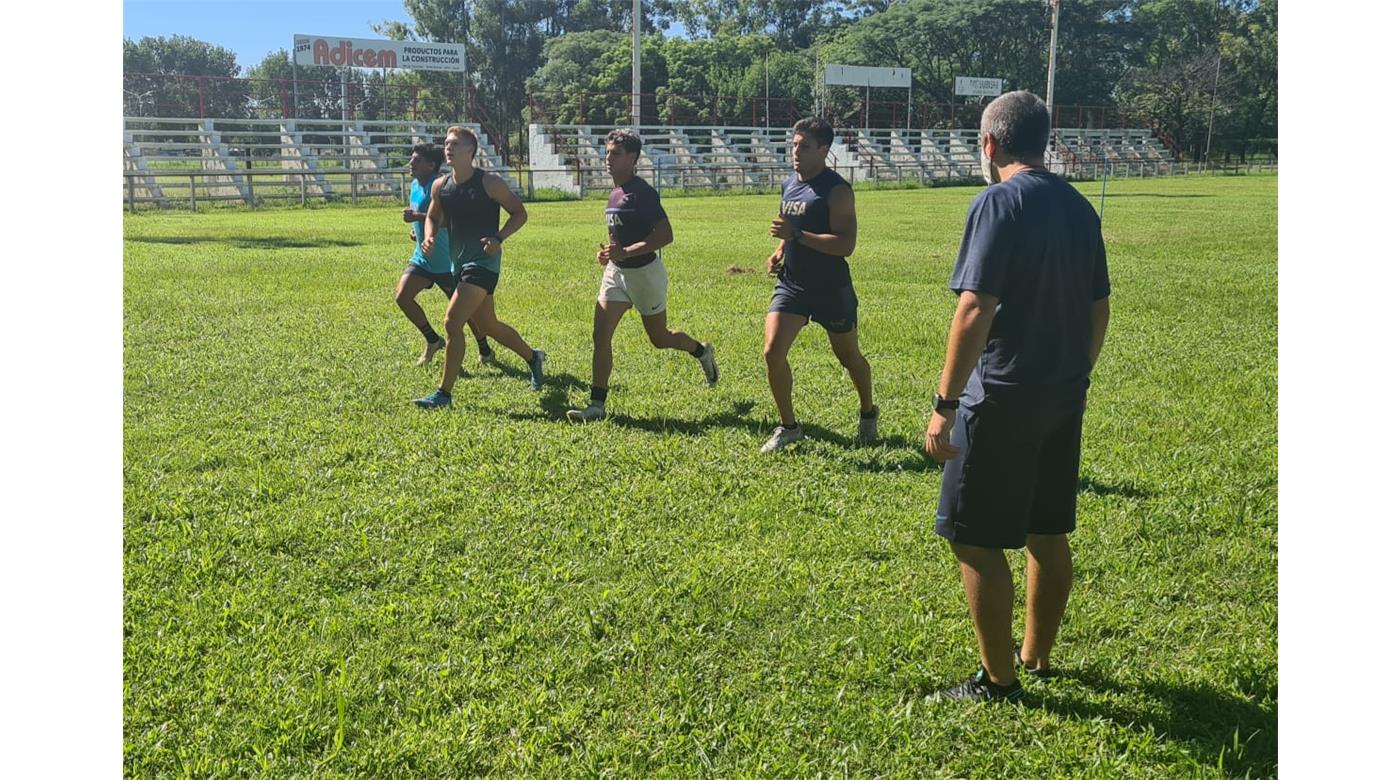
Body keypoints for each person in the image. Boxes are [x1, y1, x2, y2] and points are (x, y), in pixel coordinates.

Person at [924, 91, 1111, 702]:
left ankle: (999, 680)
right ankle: (1036, 656)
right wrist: (1074, 371)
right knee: (1047, 529)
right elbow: (1098, 308)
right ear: (1045, 141)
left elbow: (976, 305)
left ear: (990, 143)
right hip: (1063, 391)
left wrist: (945, 402)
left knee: (973, 535)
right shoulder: (1080, 208)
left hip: (1001, 393)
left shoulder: (997, 202)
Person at [566, 128, 718, 422]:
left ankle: (701, 351)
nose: (608, 158)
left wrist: (627, 252)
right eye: (608, 152)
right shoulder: (614, 192)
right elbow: (617, 241)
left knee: (659, 338)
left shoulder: (642, 193)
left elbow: (665, 235)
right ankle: (597, 405)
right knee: (600, 335)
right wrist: (609, 255)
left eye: (616, 153)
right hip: (617, 274)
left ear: (633, 158)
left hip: (645, 274)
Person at [760, 116, 877, 452]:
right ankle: (789, 426)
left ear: (824, 150)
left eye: (805, 146)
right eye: (794, 144)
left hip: (830, 287)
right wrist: (780, 249)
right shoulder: (789, 184)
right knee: (772, 351)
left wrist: (796, 235)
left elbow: (845, 245)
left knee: (849, 356)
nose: (796, 152)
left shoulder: (837, 190)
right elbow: (791, 227)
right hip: (793, 284)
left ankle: (868, 411)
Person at [413, 126, 546, 409]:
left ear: (470, 151)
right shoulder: (441, 186)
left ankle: (443, 394)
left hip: (484, 262)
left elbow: (520, 213)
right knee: (488, 325)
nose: (448, 148)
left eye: (455, 144)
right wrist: (429, 236)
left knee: (452, 321)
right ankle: (533, 357)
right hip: (458, 262)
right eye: (447, 143)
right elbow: (433, 217)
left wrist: (499, 238)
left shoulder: (490, 182)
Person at [394, 142, 495, 367]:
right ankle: (433, 340)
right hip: (423, 258)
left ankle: (485, 348)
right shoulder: (414, 185)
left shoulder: (442, 187)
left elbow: (451, 221)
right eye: (412, 159)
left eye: (417, 160)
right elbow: (427, 219)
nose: (412, 163)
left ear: (431, 165)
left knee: (465, 314)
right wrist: (417, 232)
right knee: (402, 296)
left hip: (447, 262)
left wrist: (419, 218)